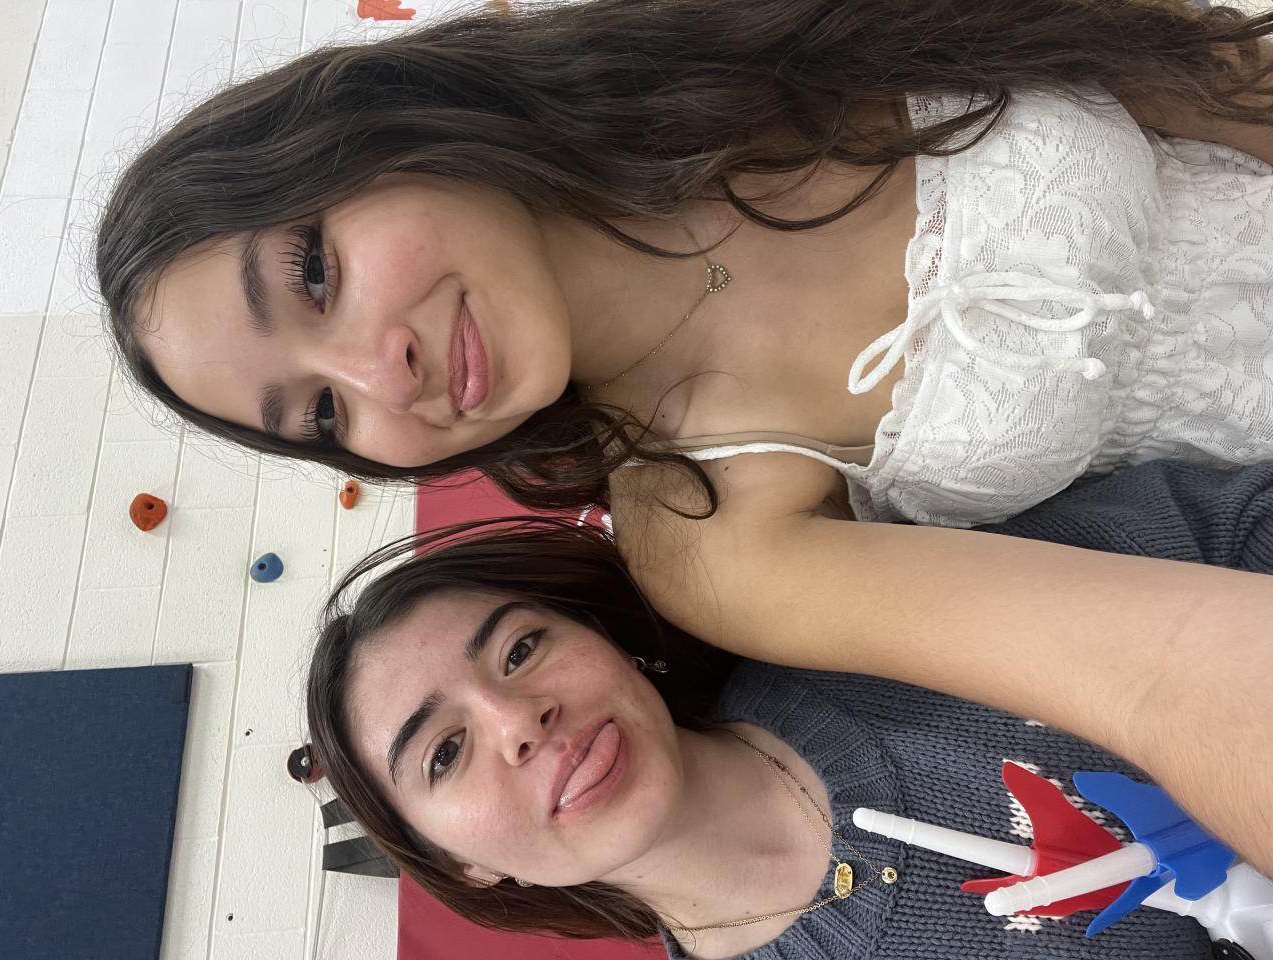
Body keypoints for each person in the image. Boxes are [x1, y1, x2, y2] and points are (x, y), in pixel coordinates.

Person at [97, 0, 1273, 870]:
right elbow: (1160, 674)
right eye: (320, 413)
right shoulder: (703, 538)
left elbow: (1206, 69)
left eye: (313, 272)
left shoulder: (744, 40)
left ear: (372, 129)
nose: (376, 373)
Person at [306, 458, 1273, 959]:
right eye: (444, 753)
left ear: (603, 639)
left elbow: (1226, 527)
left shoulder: (833, 623)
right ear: (459, 864)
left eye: (520, 649)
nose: (519, 720)